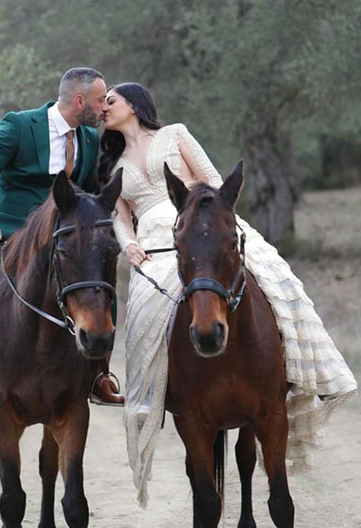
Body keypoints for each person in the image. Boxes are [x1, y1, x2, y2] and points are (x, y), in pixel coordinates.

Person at [99, 82, 357, 505]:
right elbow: (120, 216)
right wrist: (129, 245)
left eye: (111, 100)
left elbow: (214, 180)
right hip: (154, 250)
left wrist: (204, 219)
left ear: (134, 103)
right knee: (146, 317)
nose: (104, 107)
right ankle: (154, 395)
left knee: (275, 282)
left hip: (206, 226)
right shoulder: (113, 163)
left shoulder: (175, 135)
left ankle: (306, 367)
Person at [0, 67, 125, 408]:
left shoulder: (89, 139)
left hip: (66, 235)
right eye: (99, 100)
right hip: (10, 229)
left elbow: (91, 191)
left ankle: (100, 374)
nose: (103, 107)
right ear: (80, 101)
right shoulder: (19, 126)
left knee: (101, 281)